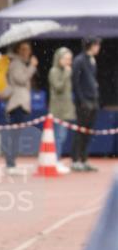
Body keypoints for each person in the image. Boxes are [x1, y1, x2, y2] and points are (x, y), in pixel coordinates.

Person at [2, 41, 38, 175]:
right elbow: (21, 79)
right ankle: (10, 164)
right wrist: (32, 67)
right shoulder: (16, 63)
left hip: (21, 104)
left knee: (16, 136)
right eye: (23, 49)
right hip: (16, 104)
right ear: (18, 51)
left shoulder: (21, 63)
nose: (27, 52)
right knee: (13, 135)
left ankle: (12, 163)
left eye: (28, 49)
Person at [71, 37, 101, 172]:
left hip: (93, 100)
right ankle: (75, 160)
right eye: (97, 45)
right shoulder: (79, 60)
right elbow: (75, 82)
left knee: (88, 132)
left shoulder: (92, 60)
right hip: (84, 102)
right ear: (91, 45)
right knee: (80, 131)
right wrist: (82, 100)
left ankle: (84, 159)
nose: (98, 47)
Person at [47, 46, 75, 175]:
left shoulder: (66, 71)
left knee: (62, 137)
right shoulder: (54, 71)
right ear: (59, 59)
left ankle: (57, 159)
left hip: (66, 109)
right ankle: (56, 160)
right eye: (66, 58)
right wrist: (66, 74)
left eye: (70, 59)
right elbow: (58, 87)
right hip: (57, 110)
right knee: (58, 137)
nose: (68, 61)